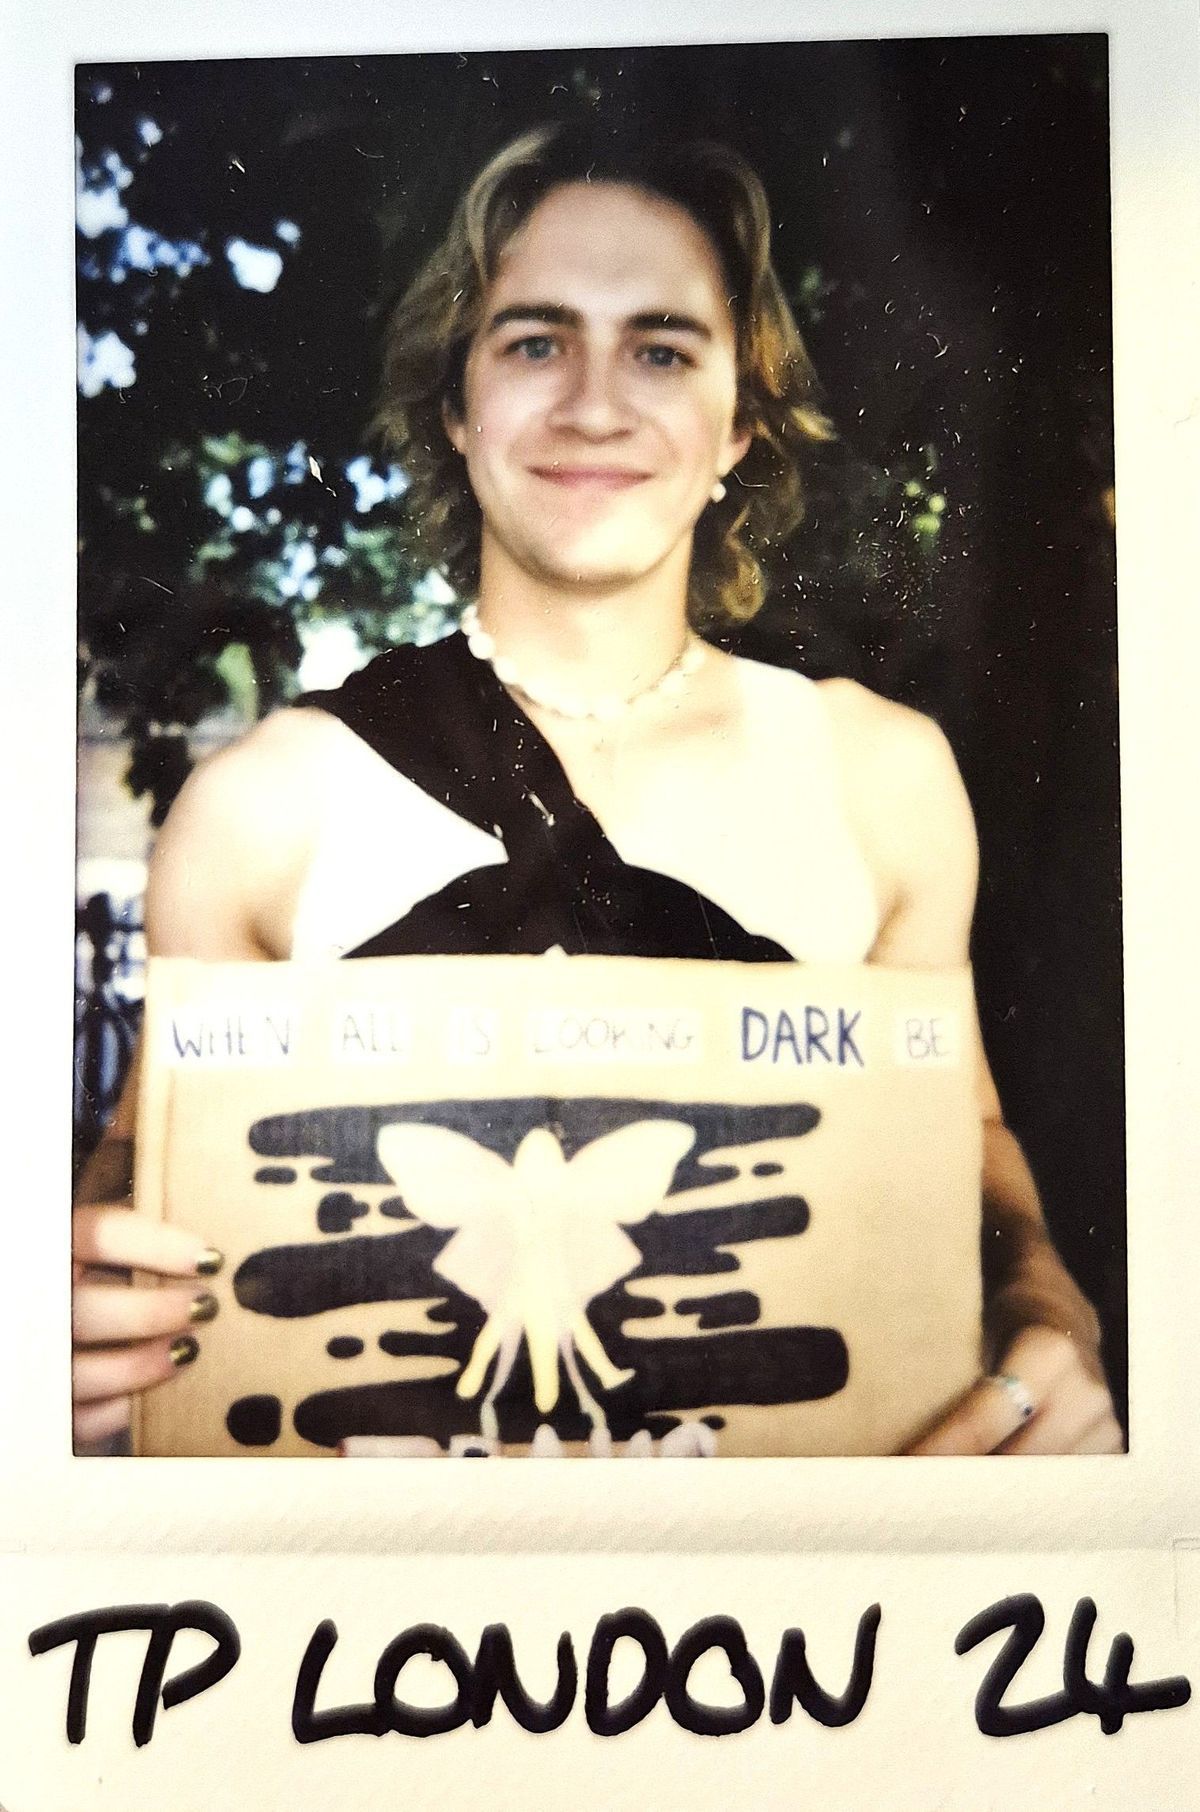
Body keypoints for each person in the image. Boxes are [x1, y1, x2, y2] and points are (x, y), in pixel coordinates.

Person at [73, 120, 1121, 1455]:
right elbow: (145, 1164)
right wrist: (82, 1306)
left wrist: (1049, 1307)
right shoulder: (260, 808)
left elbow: (963, 1135)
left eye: (662, 349)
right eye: (535, 342)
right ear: (456, 408)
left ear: (740, 424)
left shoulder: (880, 776)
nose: (594, 405)